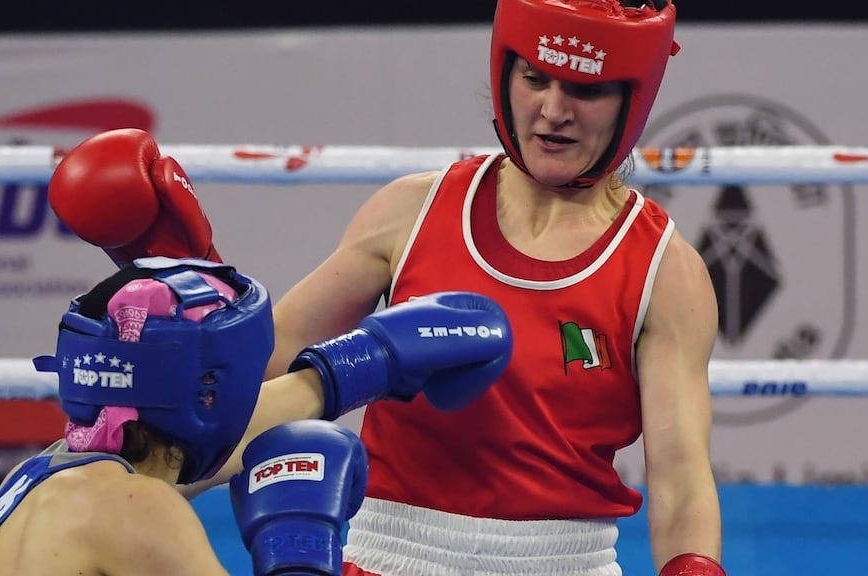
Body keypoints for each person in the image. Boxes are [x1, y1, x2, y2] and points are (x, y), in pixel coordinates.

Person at [258, 0, 726, 575]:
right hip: (390, 555)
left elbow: (680, 480)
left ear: (631, 100)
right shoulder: (411, 213)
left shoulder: (665, 270)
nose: (553, 111)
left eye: (585, 89)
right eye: (535, 77)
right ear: (505, 74)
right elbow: (270, 358)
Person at [0, 256, 513, 576]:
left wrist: (368, 361)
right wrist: (300, 561)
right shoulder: (137, 509)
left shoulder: (44, 478)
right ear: (206, 391)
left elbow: (234, 424)